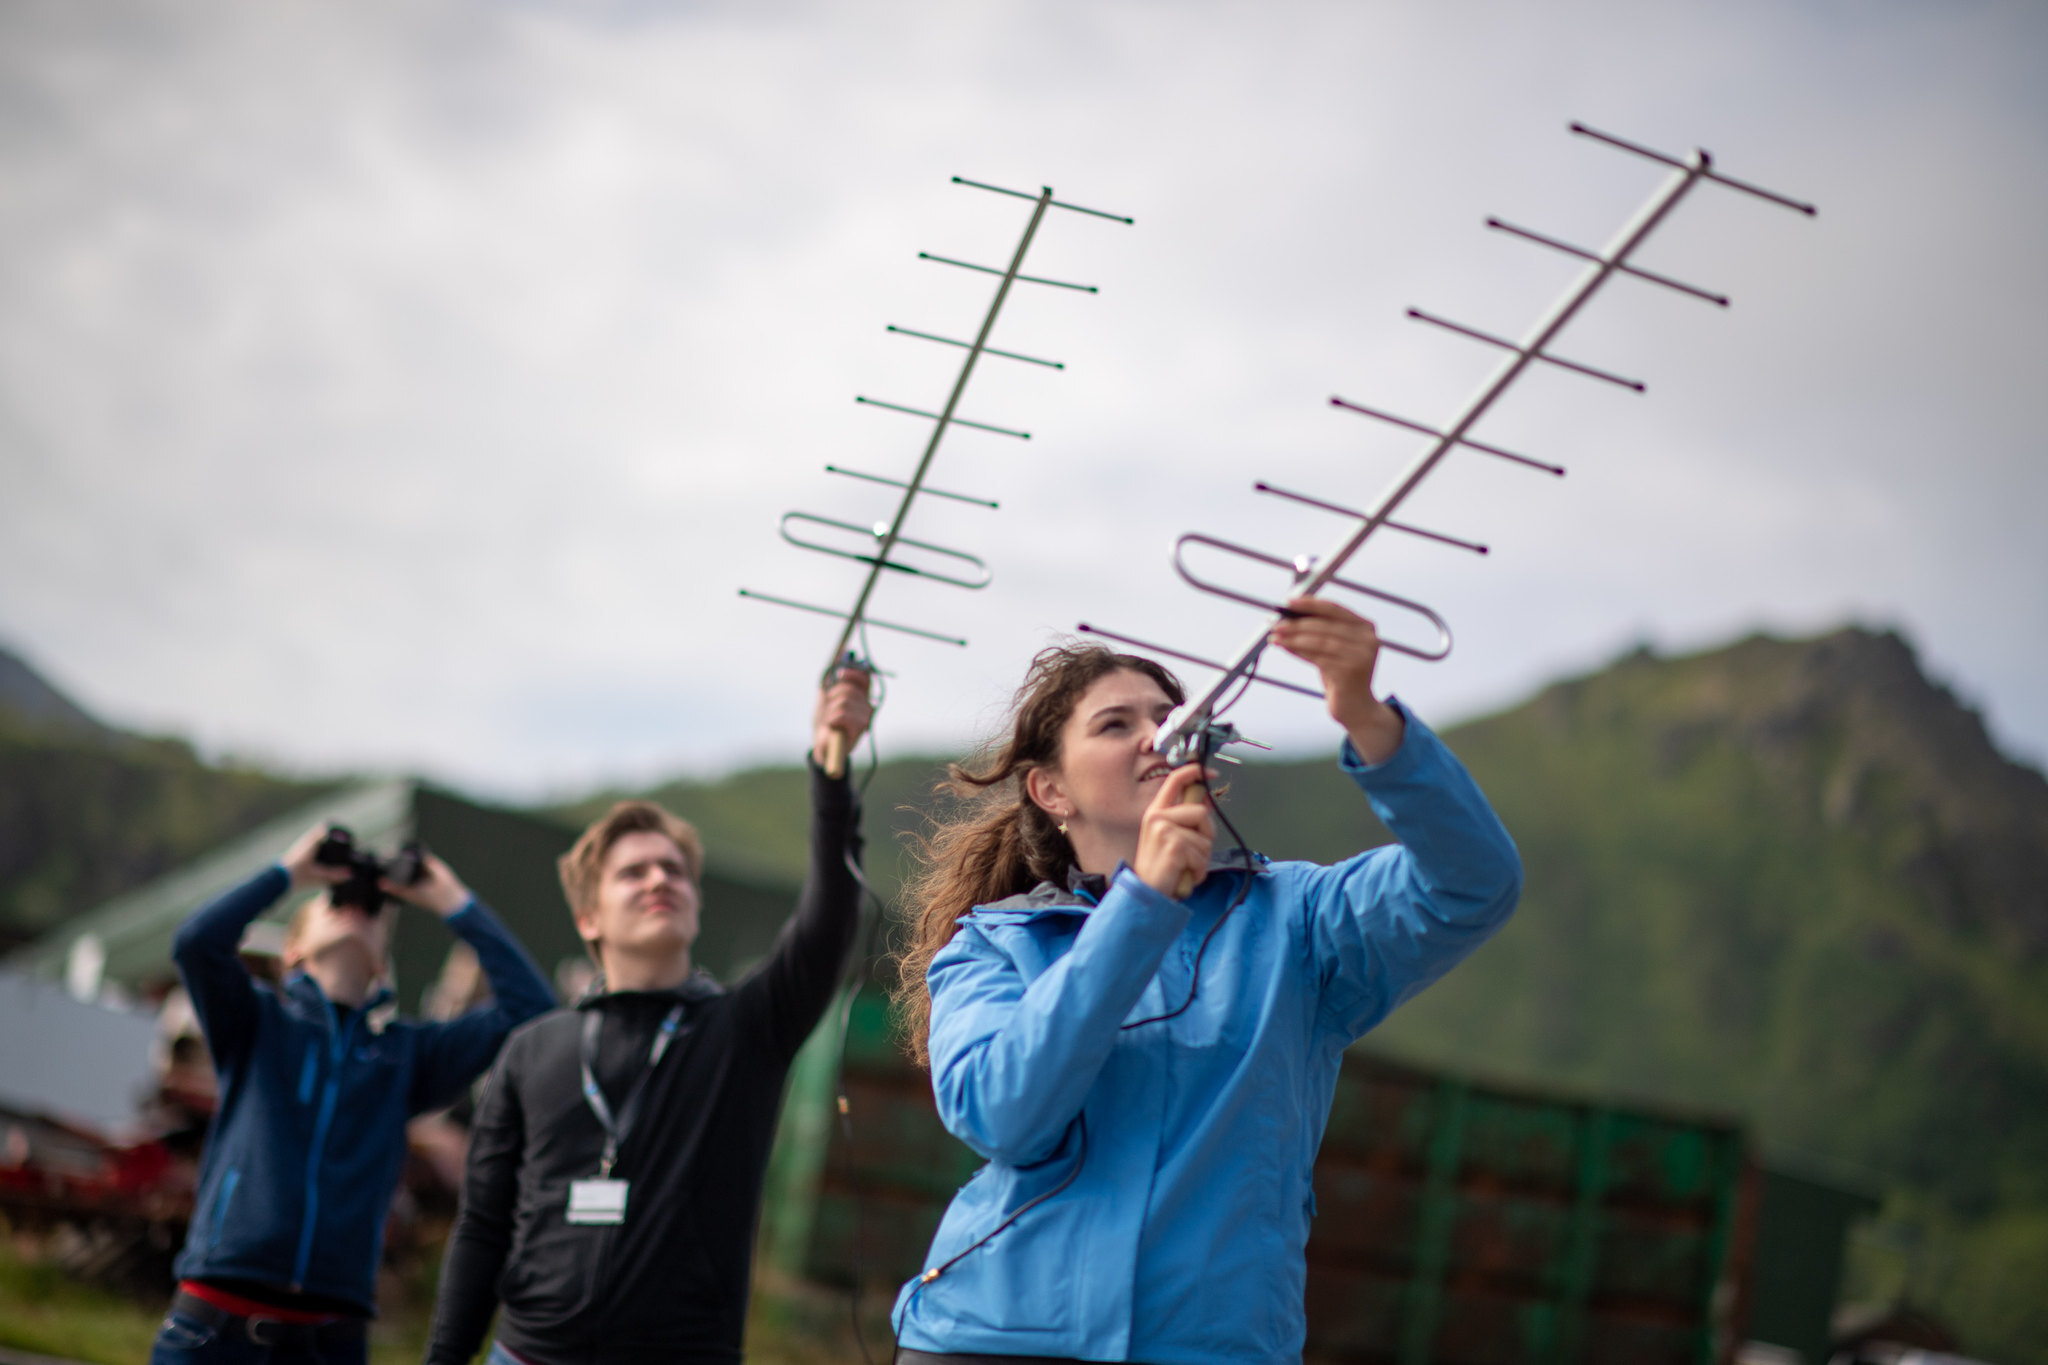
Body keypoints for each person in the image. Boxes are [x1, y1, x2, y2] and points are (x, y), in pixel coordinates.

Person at [888, 598, 1524, 1364]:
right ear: (1051, 791)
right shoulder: (992, 945)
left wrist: (1366, 716)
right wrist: (1142, 905)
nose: (1158, 735)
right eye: (1115, 723)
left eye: (1169, 716)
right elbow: (1004, 1114)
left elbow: (1474, 882)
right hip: (991, 1337)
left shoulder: (1298, 918)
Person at [425, 667, 874, 1365]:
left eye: (674, 870)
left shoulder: (744, 1029)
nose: (659, 878)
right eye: (632, 872)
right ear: (587, 916)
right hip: (526, 1353)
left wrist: (831, 769)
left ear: (694, 903)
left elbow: (827, 922)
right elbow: (482, 1226)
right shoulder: (535, 1048)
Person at [152, 829, 555, 1364]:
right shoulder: (255, 1023)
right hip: (214, 1325)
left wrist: (448, 900)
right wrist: (290, 873)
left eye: (374, 911)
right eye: (337, 903)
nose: (358, 912)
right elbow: (196, 943)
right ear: (292, 951)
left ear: (383, 962)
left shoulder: (406, 1057)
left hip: (330, 1339)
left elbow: (532, 1011)